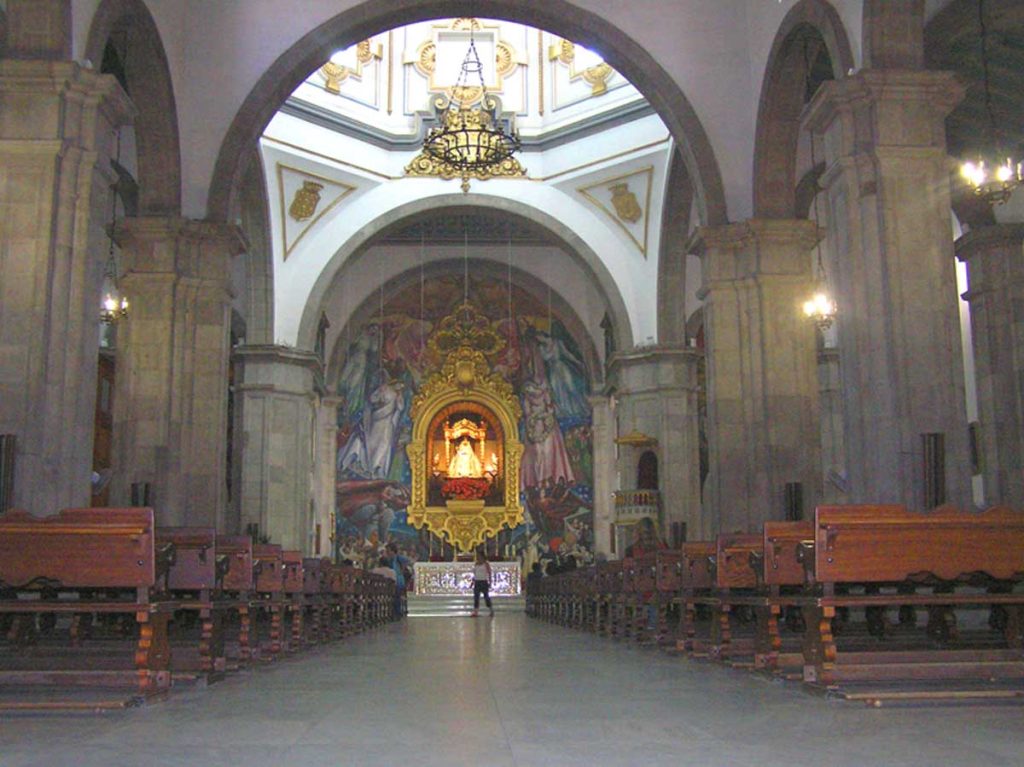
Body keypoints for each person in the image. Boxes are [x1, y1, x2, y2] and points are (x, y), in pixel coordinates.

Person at [471, 549, 493, 617]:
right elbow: (475, 573)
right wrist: (473, 581)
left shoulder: (486, 564)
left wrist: (490, 581)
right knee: (476, 597)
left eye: (479, 556)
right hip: (477, 581)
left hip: (483, 581)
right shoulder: (476, 563)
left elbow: (489, 572)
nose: (478, 557)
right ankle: (475, 611)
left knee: (486, 597)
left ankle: (491, 610)